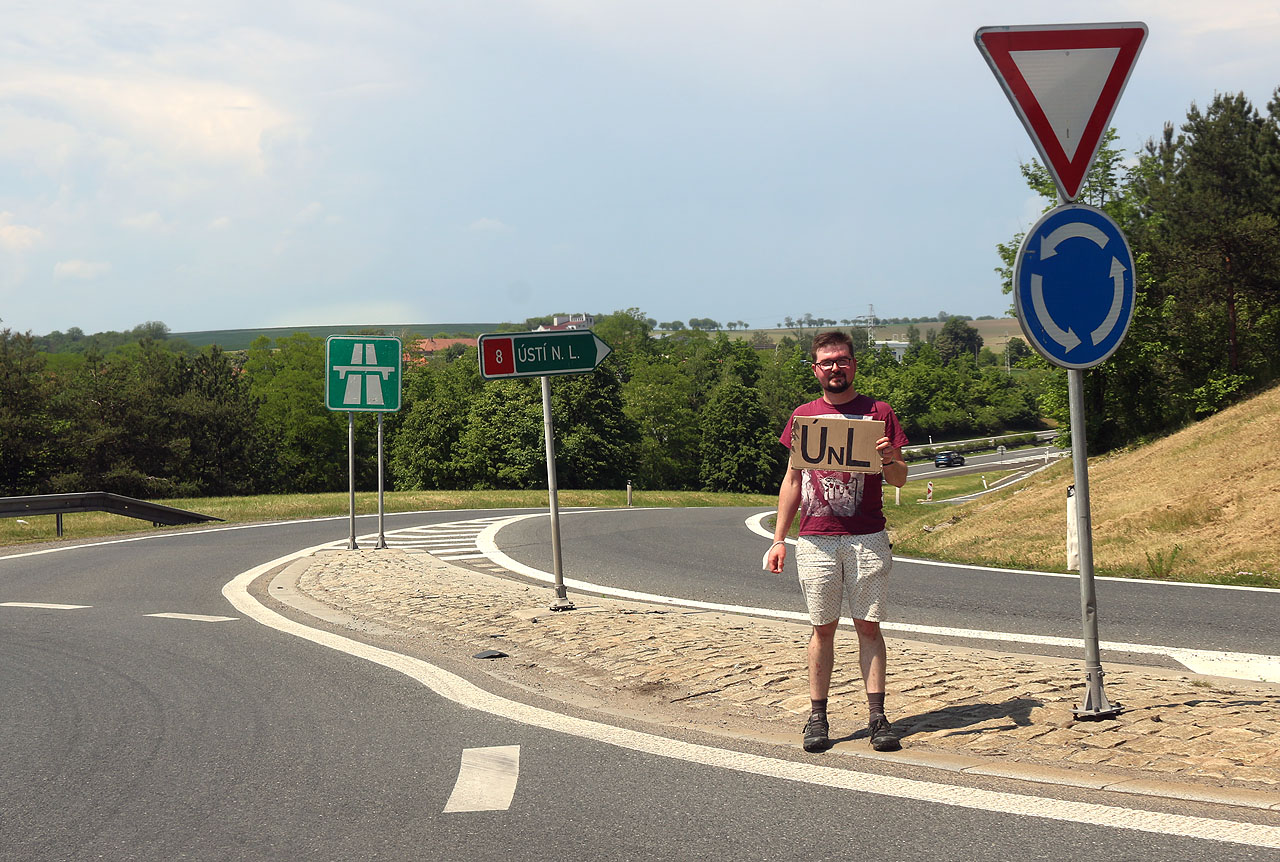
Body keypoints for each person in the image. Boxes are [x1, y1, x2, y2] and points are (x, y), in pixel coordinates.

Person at [766, 331, 909, 753]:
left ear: (853, 365)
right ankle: (818, 716)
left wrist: (888, 458)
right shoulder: (804, 416)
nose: (835, 368)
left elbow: (900, 477)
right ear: (816, 369)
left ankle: (878, 717)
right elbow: (792, 479)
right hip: (815, 540)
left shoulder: (879, 413)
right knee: (821, 629)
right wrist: (778, 538)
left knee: (869, 626)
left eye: (842, 360)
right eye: (826, 362)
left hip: (868, 537)